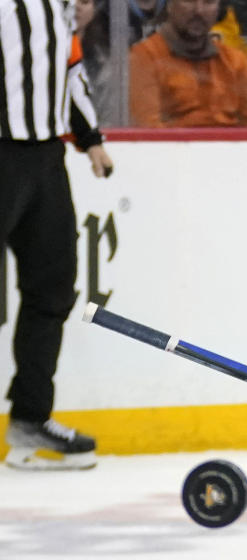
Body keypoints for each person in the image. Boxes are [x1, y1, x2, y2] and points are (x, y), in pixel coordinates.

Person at [1, 0, 114, 471]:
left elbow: (67, 67)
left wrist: (90, 138)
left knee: (52, 290)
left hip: (45, 158)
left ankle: (29, 420)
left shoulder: (56, 4)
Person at [128, 0, 247, 127]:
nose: (199, 10)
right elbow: (147, 136)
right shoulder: (144, 57)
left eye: (209, 2)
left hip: (230, 153)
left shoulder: (236, 62)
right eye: (189, 1)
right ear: (169, 5)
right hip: (171, 153)